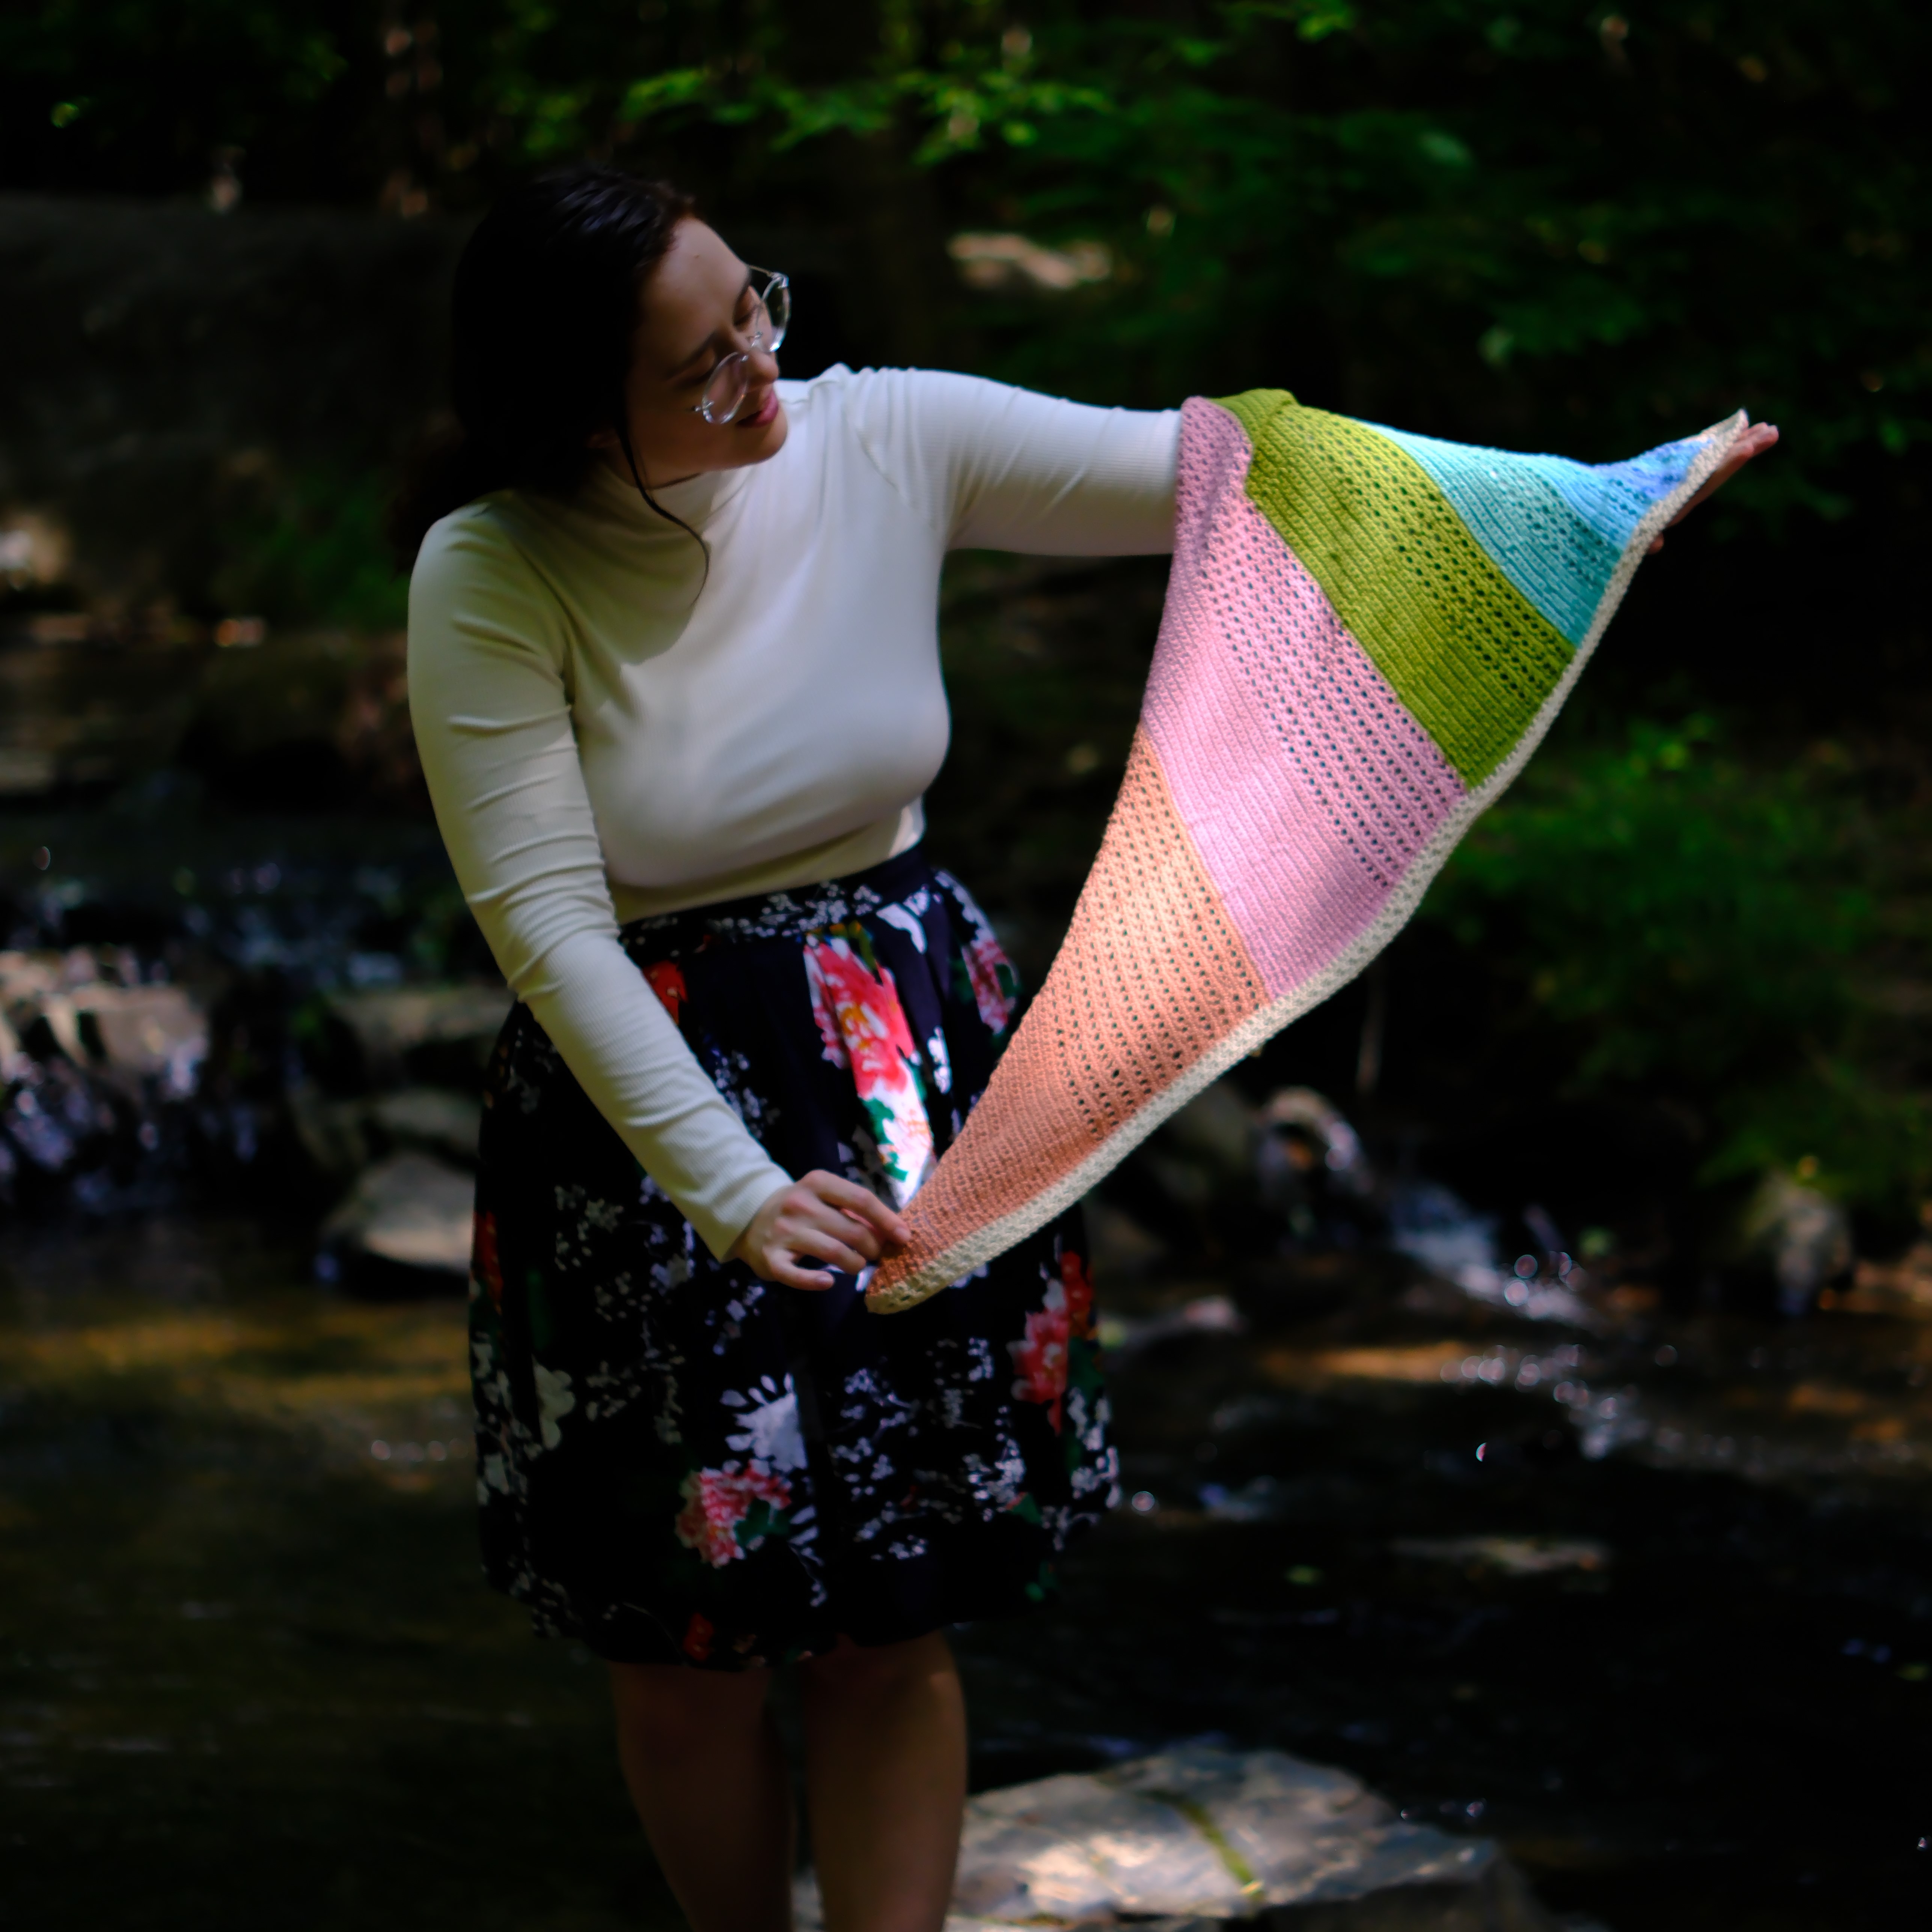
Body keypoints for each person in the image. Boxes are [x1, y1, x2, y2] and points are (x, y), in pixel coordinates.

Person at [398, 166, 1776, 1932]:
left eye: (759, 310)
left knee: (895, 1622)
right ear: (570, 413)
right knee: (686, 1647)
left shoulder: (887, 437)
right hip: (642, 1135)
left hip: (911, 1077)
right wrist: (730, 1189)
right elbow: (546, 927)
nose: (762, 367)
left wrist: (1601, 496)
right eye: (702, 364)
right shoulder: (491, 568)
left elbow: (1259, 479)